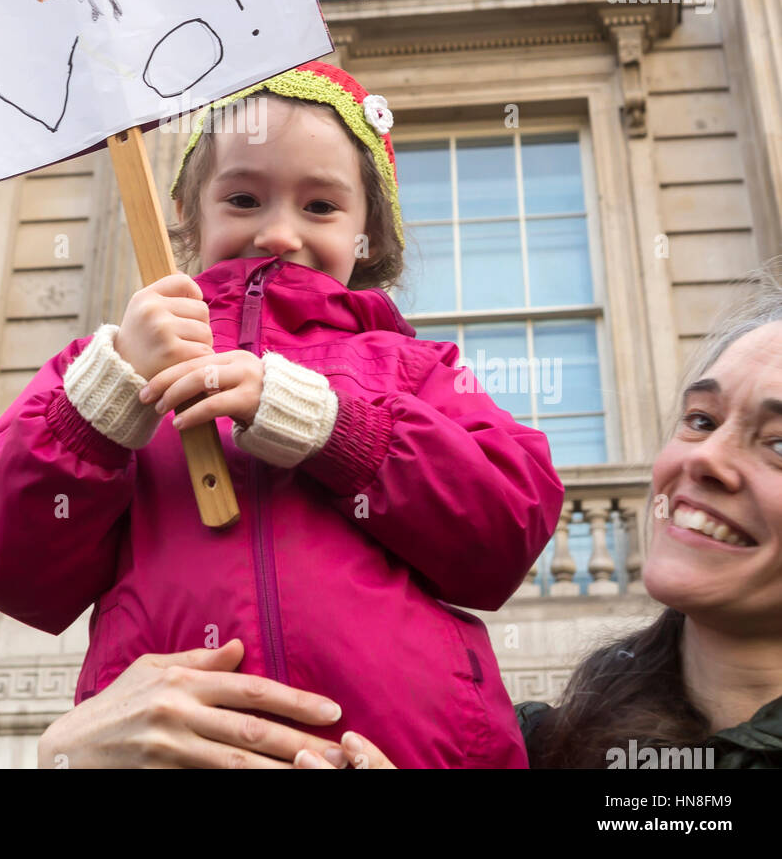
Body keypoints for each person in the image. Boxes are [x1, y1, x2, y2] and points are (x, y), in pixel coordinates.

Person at [0, 59, 565, 767]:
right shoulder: (110, 363)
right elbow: (6, 560)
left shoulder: (413, 369)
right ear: (187, 212)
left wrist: (330, 426)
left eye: (320, 207)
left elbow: (505, 529)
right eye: (243, 198)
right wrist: (107, 397)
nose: (277, 233)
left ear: (371, 235)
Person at [42, 263, 782, 770]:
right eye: (697, 418)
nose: (705, 460)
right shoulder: (539, 745)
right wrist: (64, 758)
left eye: (777, 444)